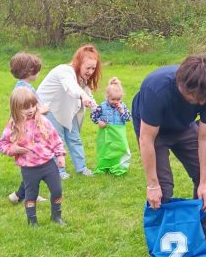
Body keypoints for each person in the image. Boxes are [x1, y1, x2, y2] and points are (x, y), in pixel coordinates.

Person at [132, 54, 206, 256]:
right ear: (182, 85)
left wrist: (202, 183)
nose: (201, 102)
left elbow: (205, 136)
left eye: (205, 99)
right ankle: (163, 244)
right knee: (163, 188)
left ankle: (203, 238)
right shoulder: (156, 88)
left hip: (183, 127)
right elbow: (146, 139)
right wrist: (152, 184)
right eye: (196, 98)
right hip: (153, 130)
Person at [0, 88, 67, 227]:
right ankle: (32, 221)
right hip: (29, 169)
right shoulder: (13, 125)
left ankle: (56, 216)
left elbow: (55, 139)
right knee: (31, 195)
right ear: (15, 108)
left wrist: (60, 155)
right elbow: (2, 144)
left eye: (32, 105)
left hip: (48, 164)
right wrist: (13, 149)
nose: (30, 110)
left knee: (57, 190)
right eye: (25, 108)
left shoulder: (43, 121)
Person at [37, 44, 101, 179]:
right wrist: (82, 96)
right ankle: (59, 171)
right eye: (88, 67)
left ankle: (81, 168)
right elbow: (70, 87)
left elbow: (88, 95)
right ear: (78, 63)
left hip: (67, 109)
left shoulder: (83, 78)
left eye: (93, 68)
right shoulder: (64, 71)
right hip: (50, 109)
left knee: (75, 138)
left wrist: (98, 109)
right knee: (57, 140)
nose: (90, 71)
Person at [7, 52, 49, 204]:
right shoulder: (25, 89)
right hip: (29, 133)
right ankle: (24, 194)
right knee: (33, 165)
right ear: (29, 71)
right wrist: (44, 109)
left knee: (32, 164)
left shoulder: (22, 86)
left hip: (29, 131)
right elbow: (25, 112)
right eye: (36, 70)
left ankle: (20, 194)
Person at [90, 77, 132, 175]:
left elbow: (128, 118)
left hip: (118, 133)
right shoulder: (102, 106)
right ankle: (105, 166)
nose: (116, 102)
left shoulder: (122, 106)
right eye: (113, 99)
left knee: (121, 149)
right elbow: (93, 115)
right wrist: (99, 121)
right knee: (106, 149)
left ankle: (119, 166)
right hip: (106, 132)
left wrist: (122, 111)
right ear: (107, 96)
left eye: (118, 99)